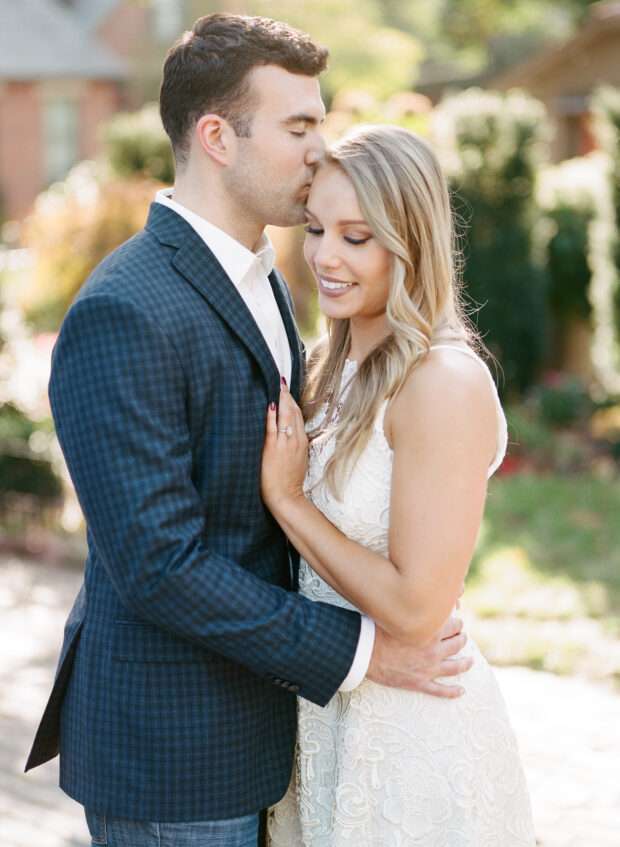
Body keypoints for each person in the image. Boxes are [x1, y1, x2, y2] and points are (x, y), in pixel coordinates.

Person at [25, 16, 471, 847]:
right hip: (174, 755)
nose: (319, 150)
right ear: (218, 137)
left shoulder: (268, 281)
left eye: (321, 124)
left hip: (263, 736)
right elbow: (160, 564)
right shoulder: (127, 309)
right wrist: (363, 653)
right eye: (298, 126)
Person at [262, 124, 536, 846]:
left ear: (409, 242)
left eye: (358, 237)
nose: (324, 255)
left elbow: (418, 608)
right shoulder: (326, 367)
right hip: (326, 724)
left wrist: (290, 502)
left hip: (413, 738)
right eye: (317, 228)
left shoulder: (441, 381)